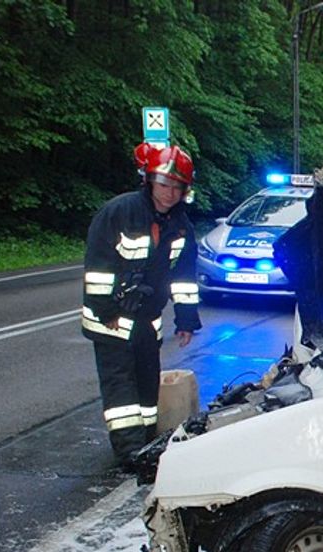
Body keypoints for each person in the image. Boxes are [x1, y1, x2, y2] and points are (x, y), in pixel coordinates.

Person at [81, 142, 201, 468]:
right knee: (122, 392)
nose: (170, 193)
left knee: (148, 386)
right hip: (111, 319)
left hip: (147, 319)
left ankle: (147, 443)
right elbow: (98, 268)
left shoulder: (180, 226)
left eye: (177, 187)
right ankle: (130, 454)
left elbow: (184, 277)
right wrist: (106, 311)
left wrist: (186, 319)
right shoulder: (119, 213)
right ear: (148, 180)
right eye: (164, 184)